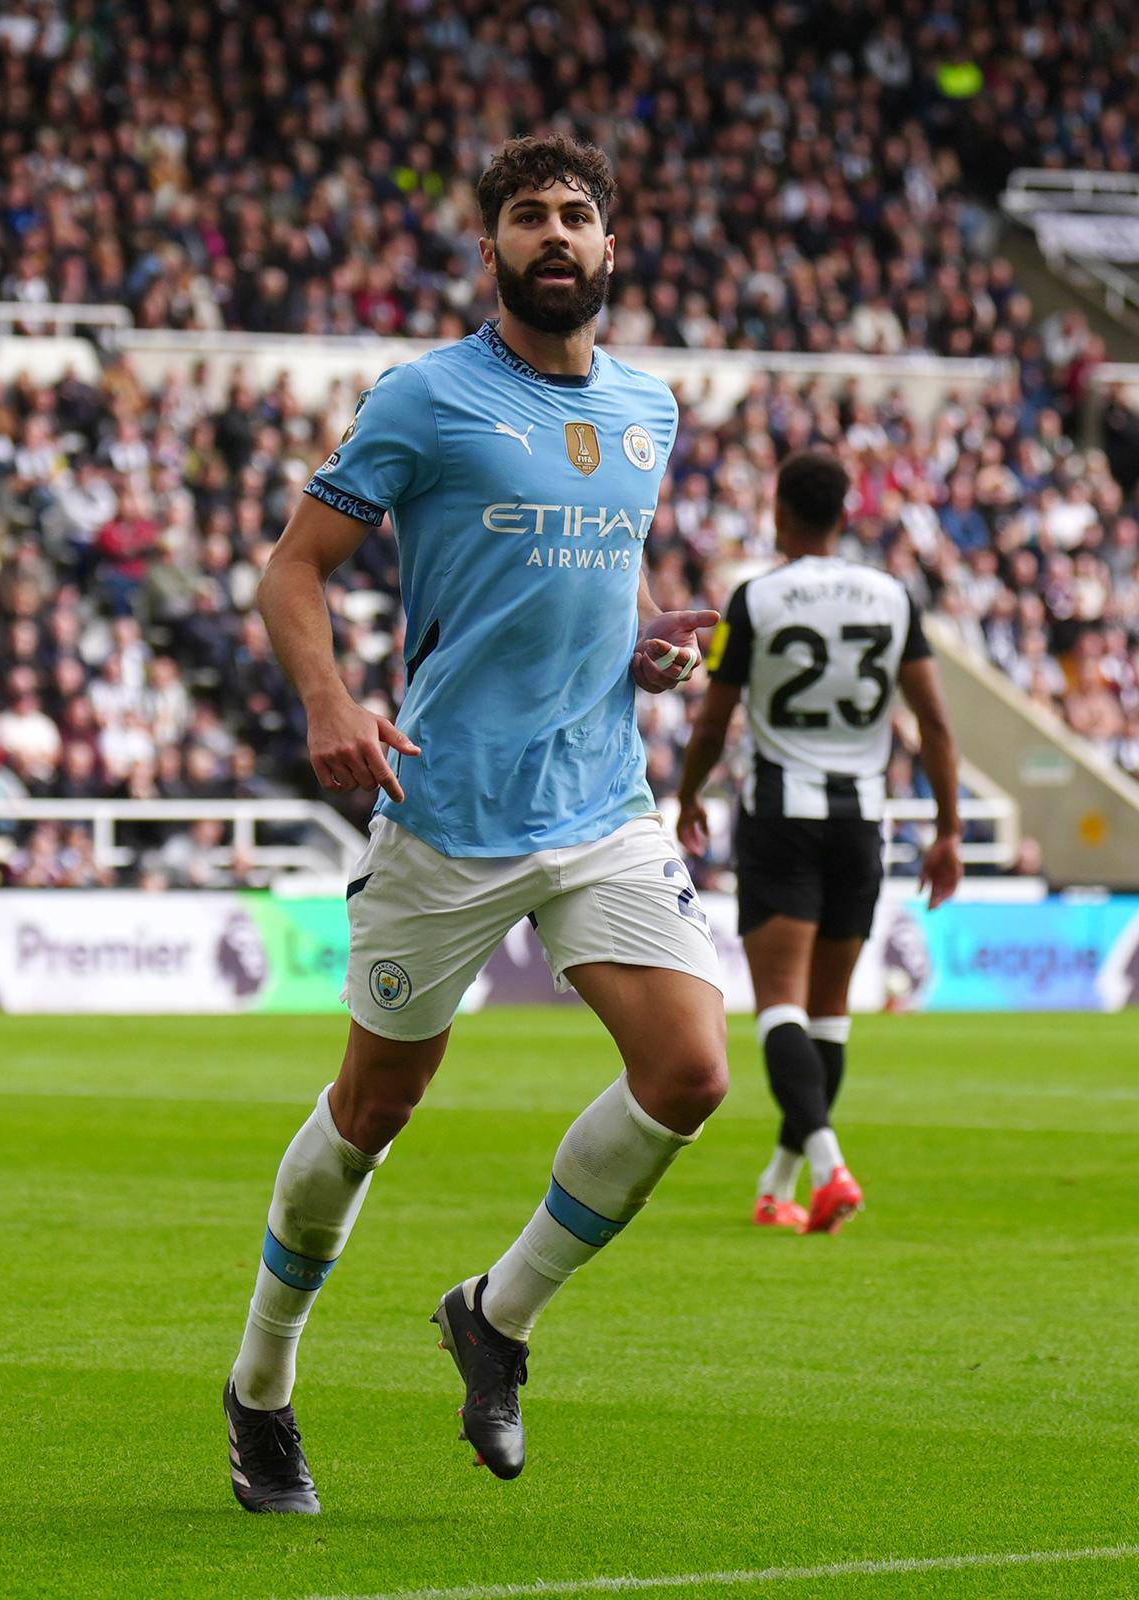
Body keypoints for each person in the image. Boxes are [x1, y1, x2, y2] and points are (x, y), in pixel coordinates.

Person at [224, 135, 727, 1514]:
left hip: (602, 805)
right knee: (373, 1109)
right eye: (526, 217)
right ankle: (261, 1386)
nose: (552, 235)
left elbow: (585, 581)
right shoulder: (427, 398)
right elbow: (292, 574)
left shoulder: (649, 408)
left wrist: (646, 651)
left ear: (611, 249)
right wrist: (330, 701)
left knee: (689, 1076)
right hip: (443, 804)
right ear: (491, 247)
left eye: (575, 215)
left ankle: (495, 1317)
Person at [676, 449, 962, 1236]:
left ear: (777, 511)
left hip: (778, 816)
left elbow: (715, 714)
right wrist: (947, 829)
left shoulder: (755, 597)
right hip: (860, 822)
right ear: (847, 513)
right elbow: (933, 721)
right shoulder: (890, 595)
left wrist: (692, 793)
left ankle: (830, 1166)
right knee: (829, 1015)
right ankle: (778, 1185)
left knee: (780, 1007)